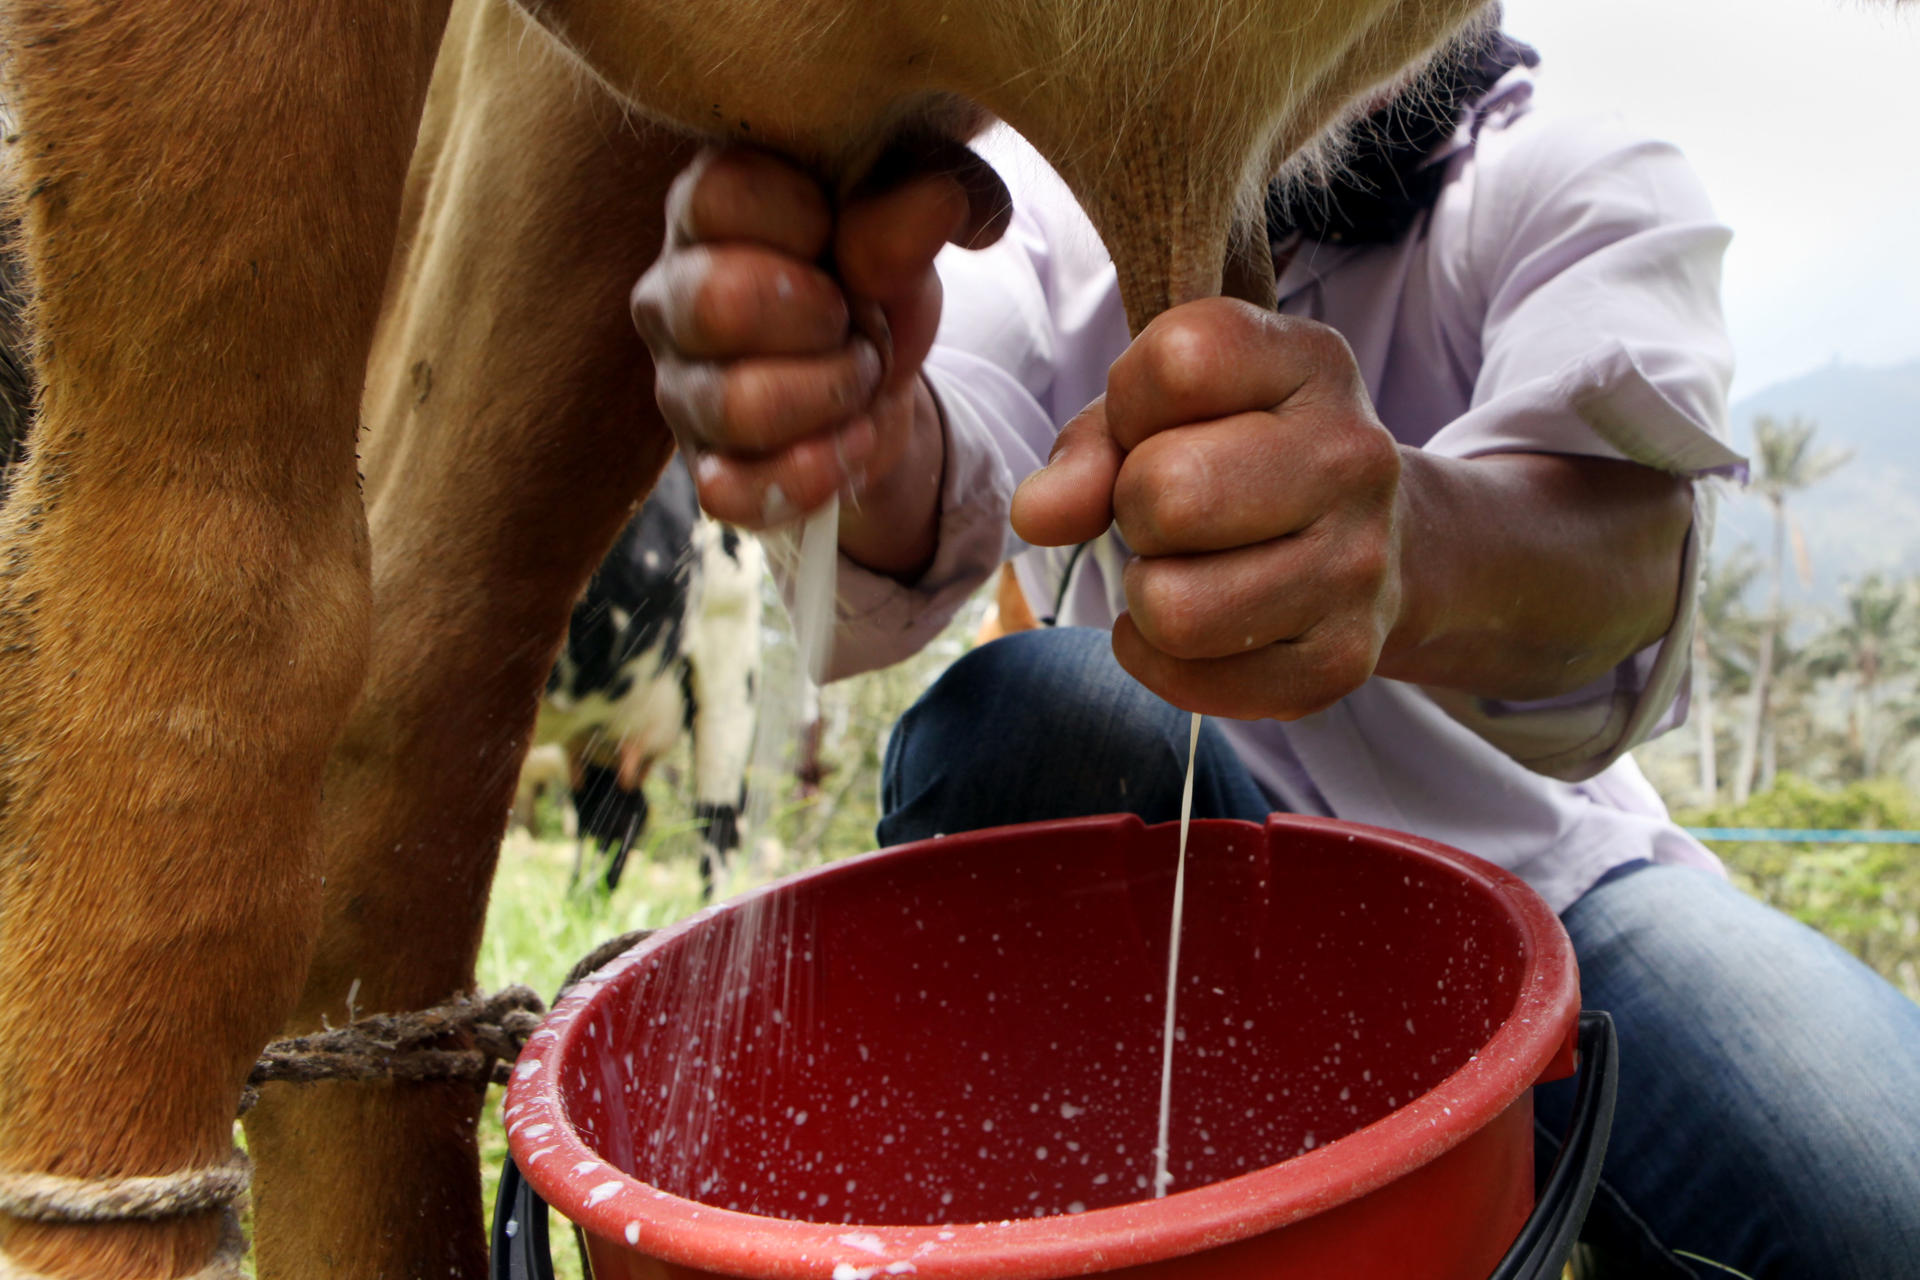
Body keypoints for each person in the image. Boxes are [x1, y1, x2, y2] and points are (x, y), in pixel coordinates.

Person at [629, 23, 1920, 1278]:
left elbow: (1625, 557)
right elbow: (934, 467)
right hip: (1160, 879)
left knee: (1883, 1199)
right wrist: (841, 408)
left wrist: (1413, 543)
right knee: (1035, 719)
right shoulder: (1026, 233)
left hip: (1557, 883)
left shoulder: (1564, 173)